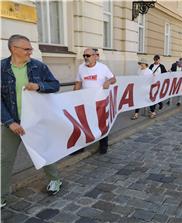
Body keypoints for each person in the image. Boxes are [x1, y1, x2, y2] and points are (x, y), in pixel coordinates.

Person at [1, 34, 62, 207]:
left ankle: (55, 180)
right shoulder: (1, 68)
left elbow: (55, 85)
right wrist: (9, 122)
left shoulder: (38, 66)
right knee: (5, 159)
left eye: (30, 48)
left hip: (36, 120)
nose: (30, 51)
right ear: (14, 49)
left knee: (43, 151)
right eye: (26, 49)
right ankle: (1, 194)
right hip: (12, 122)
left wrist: (39, 86)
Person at [74, 48, 116, 154]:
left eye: (88, 55)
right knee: (84, 124)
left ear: (95, 56)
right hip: (85, 101)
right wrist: (73, 96)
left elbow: (114, 78)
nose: (85, 58)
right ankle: (81, 147)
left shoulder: (103, 67)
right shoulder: (81, 68)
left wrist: (108, 81)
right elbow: (78, 82)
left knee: (101, 123)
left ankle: (103, 145)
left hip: (99, 101)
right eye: (84, 56)